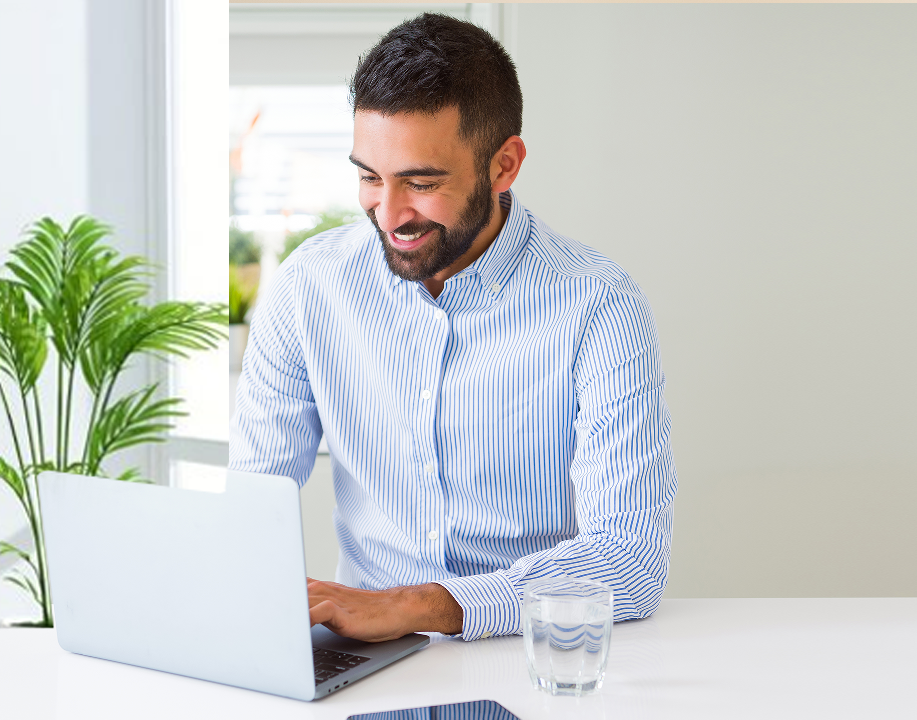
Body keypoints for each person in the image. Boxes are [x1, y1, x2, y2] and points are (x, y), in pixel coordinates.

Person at [229, 13, 677, 643]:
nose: (388, 213)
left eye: (421, 182)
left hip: (527, 657)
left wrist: (420, 607)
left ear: (504, 165)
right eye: (368, 176)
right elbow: (253, 503)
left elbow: (630, 562)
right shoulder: (310, 287)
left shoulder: (597, 305)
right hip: (356, 664)